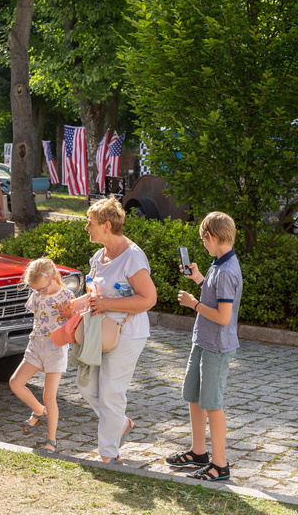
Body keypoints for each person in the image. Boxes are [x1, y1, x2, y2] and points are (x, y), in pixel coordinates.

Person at [78, 195, 157, 463]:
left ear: (107, 225)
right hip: (99, 333)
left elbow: (149, 299)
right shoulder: (99, 255)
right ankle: (120, 422)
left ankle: (108, 455)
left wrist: (108, 304)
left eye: (90, 223)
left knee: (112, 392)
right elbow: (93, 294)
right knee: (85, 385)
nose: (87, 227)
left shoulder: (132, 257)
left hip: (128, 334)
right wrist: (70, 306)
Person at [168, 211, 243, 482]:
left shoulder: (226, 271)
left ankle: (219, 465)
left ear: (210, 236)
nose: (203, 244)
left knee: (212, 404)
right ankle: (198, 452)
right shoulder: (219, 264)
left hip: (217, 347)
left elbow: (223, 317)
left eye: (203, 240)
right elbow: (216, 298)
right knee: (195, 397)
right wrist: (199, 279)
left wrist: (194, 304)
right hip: (204, 340)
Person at [9, 258, 74, 454]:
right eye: (35, 289)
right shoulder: (37, 294)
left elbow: (75, 322)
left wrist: (69, 314)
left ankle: (51, 441)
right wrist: (39, 292)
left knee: (49, 396)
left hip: (56, 348)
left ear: (54, 278)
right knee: (15, 383)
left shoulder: (67, 296)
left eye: (42, 289)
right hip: (36, 345)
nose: (39, 292)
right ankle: (38, 411)